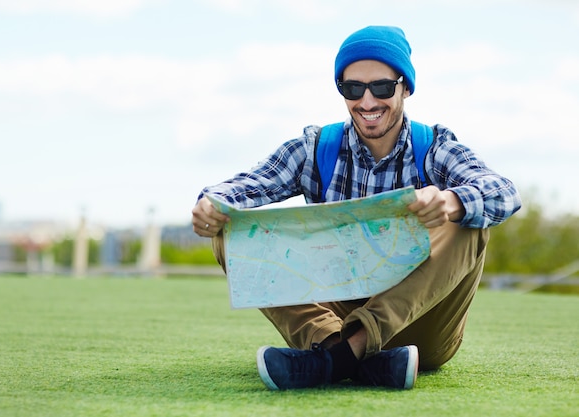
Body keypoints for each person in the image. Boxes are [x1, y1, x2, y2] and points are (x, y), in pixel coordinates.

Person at [191, 25, 521, 391]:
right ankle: (345, 353)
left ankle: (337, 360)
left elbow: (504, 192)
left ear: (405, 87)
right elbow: (240, 188)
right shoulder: (316, 146)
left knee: (471, 219)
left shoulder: (435, 146)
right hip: (331, 320)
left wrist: (450, 201)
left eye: (381, 87)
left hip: (421, 325)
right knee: (228, 227)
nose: (367, 102)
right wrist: (210, 205)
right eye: (352, 89)